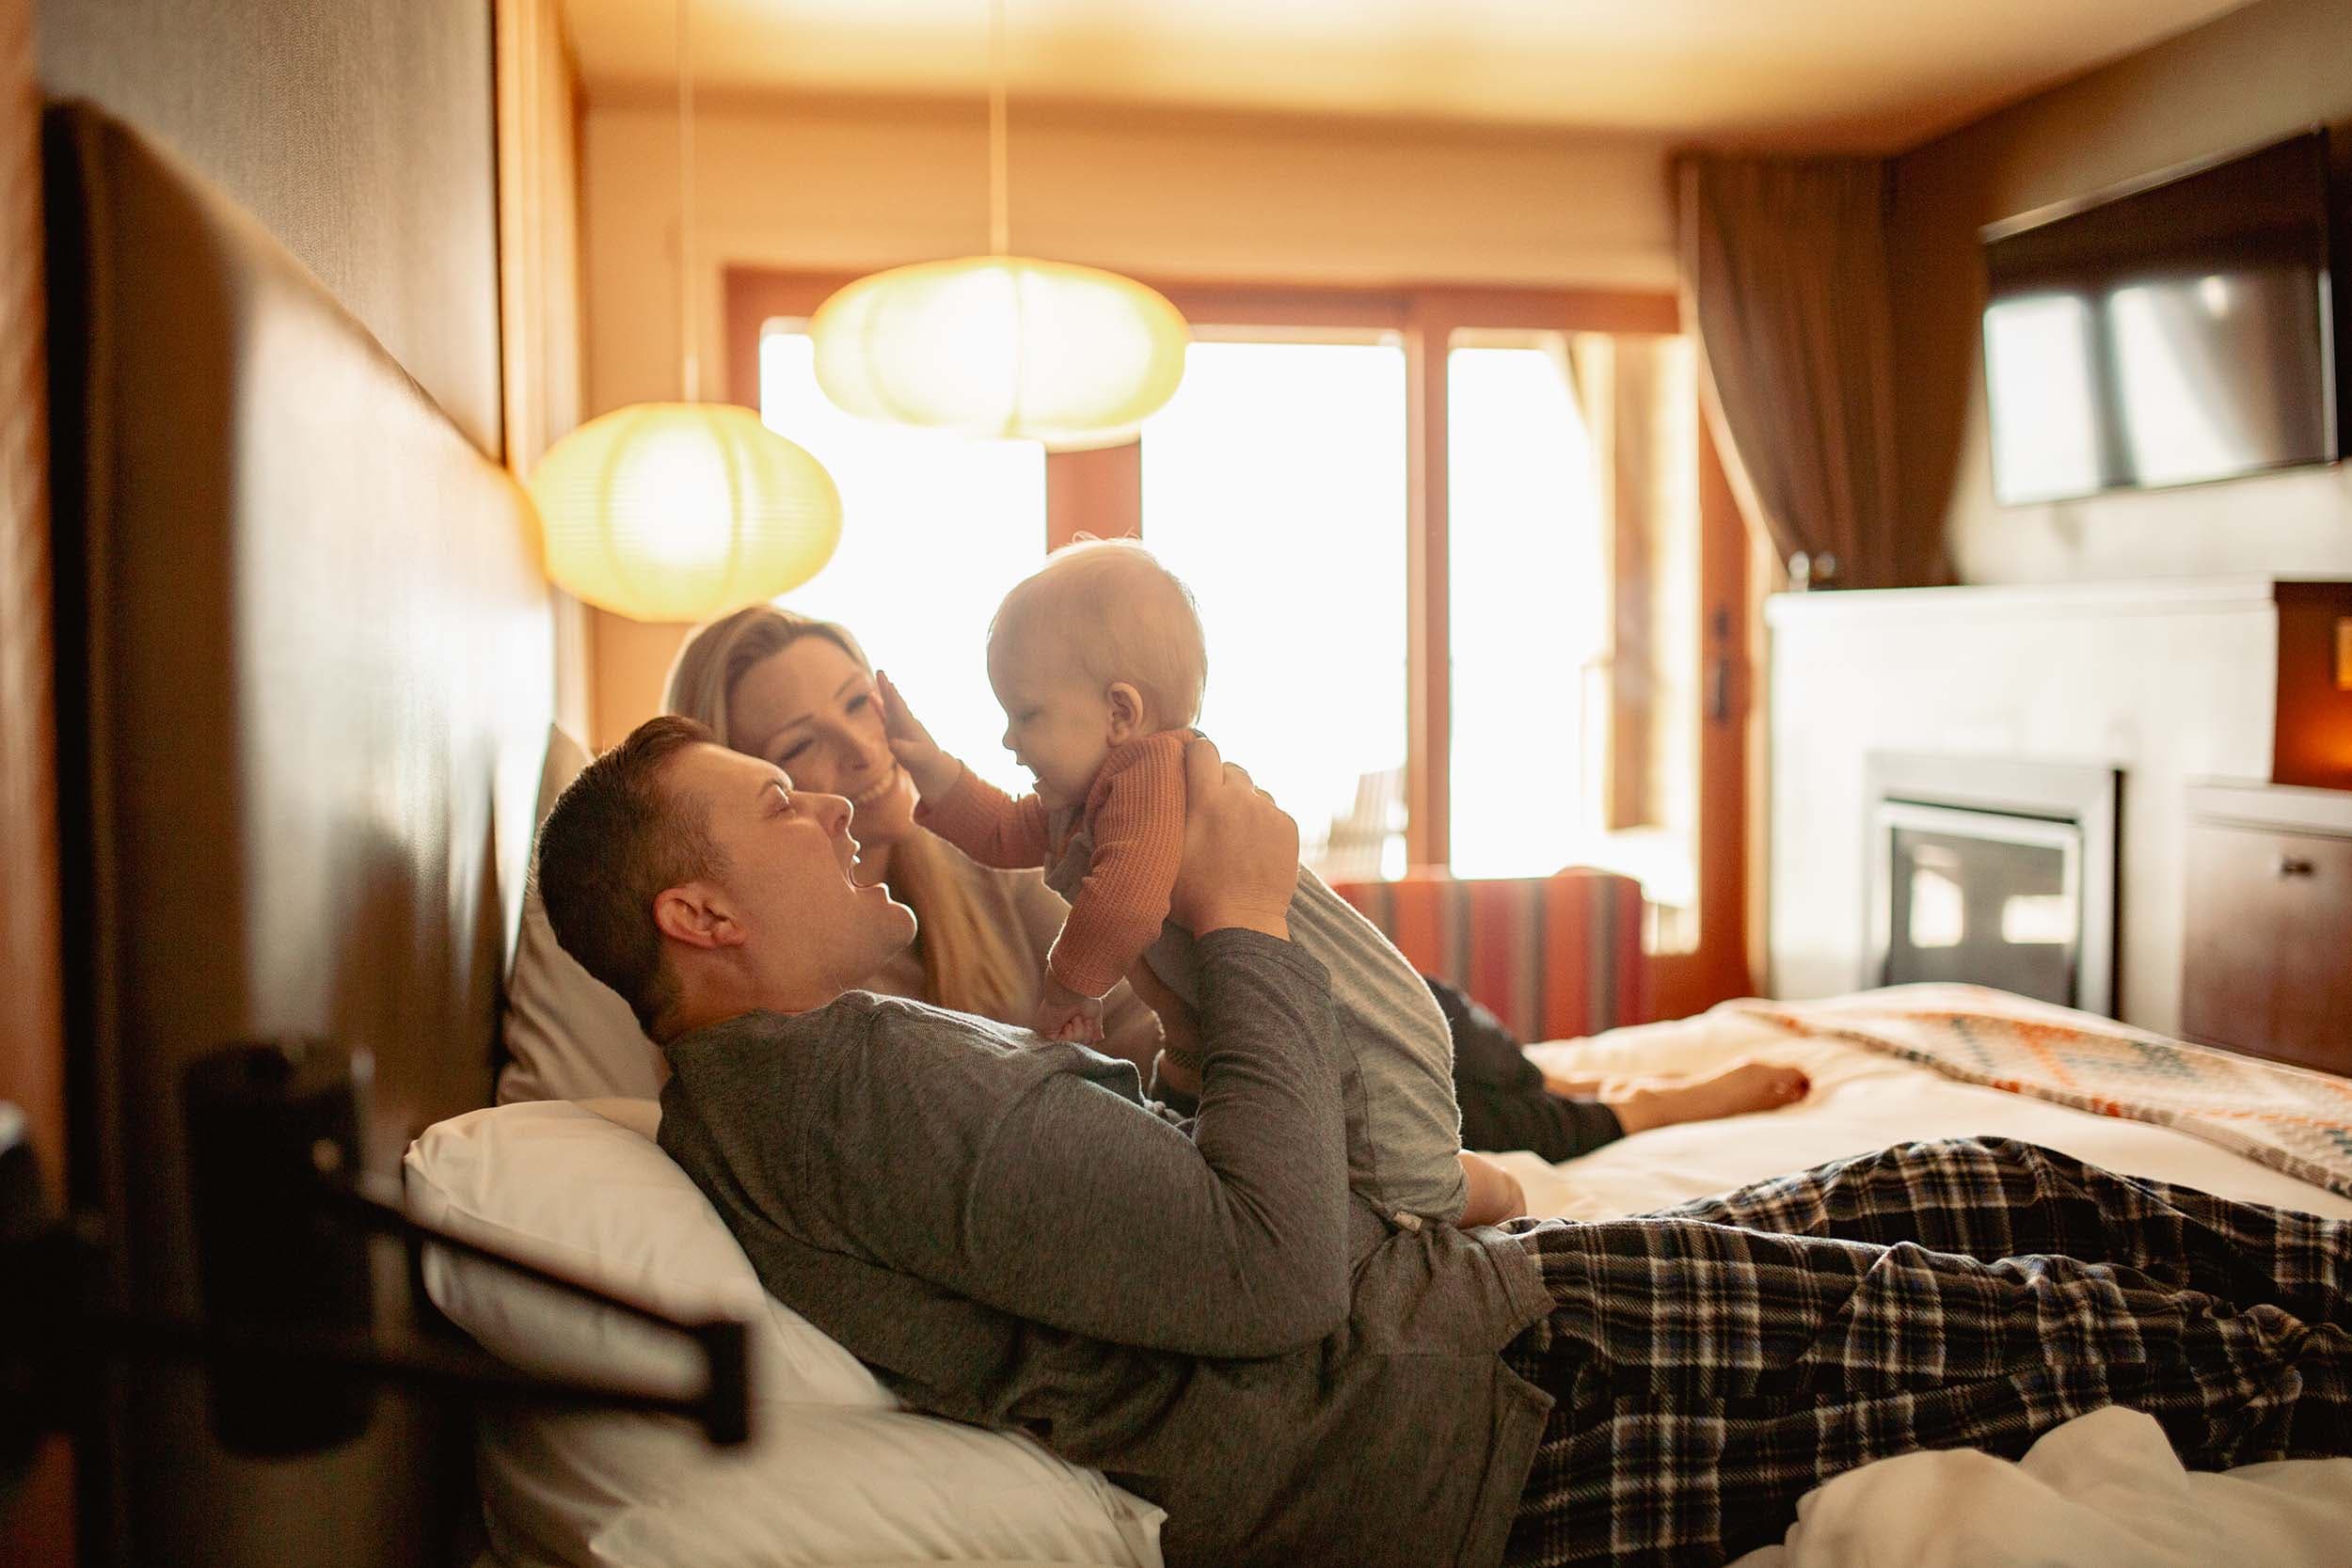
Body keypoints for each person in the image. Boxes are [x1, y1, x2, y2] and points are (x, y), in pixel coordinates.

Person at [534, 716, 2351, 1568]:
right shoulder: (838, 1088)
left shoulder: (819, 1085)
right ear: (697, 917)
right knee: (2080, 1325)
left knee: (1970, 1182)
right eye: (786, 803)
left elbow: (1175, 1205)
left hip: (1476, 1332)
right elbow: (1269, 1275)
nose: (844, 810)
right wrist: (1242, 924)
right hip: (1491, 1427)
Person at [661, 603, 1802, 1158]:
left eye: (859, 703)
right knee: (1458, 1107)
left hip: (1251, 1008)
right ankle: (1643, 1104)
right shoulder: (833, 973)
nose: (859, 752)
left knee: (1457, 1043)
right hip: (1219, 1062)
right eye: (800, 744)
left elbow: (1109, 900)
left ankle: (1604, 1090)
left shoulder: (957, 861)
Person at [881, 536, 1507, 1227]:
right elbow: (1002, 830)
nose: (1008, 741)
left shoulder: (1150, 775)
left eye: (1026, 715)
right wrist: (931, 766)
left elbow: (1124, 903)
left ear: (1121, 713)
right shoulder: (1091, 799)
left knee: (1409, 1191)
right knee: (1325, 1187)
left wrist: (1066, 988)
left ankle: (1502, 1191)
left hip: (1357, 1034)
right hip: (1273, 1038)